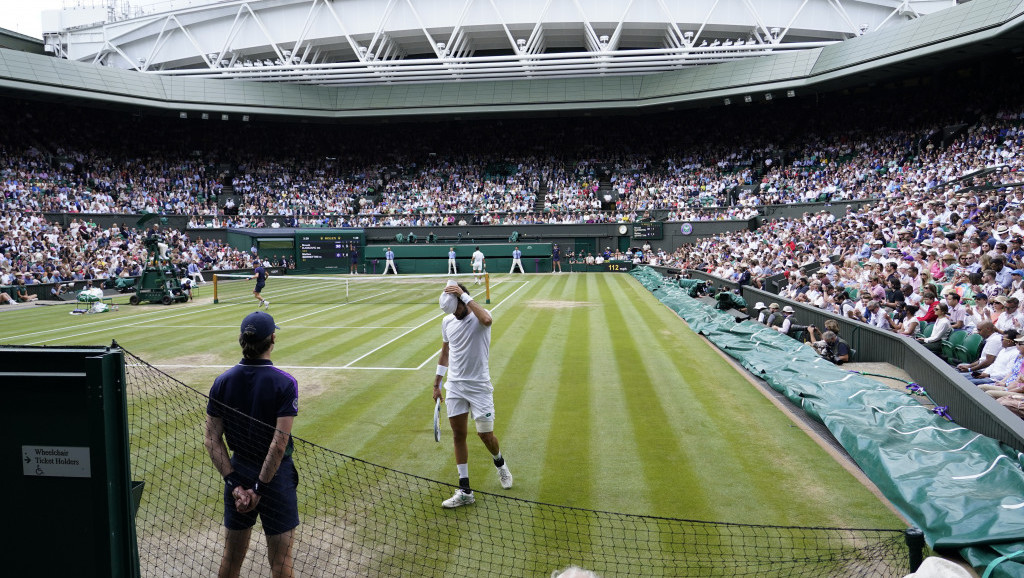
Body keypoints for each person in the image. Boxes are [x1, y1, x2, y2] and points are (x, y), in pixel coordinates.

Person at [204, 311, 299, 578]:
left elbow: (212, 439)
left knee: (231, 560)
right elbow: (278, 445)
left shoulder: (222, 382)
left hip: (238, 473)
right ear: (273, 339)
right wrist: (259, 488)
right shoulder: (285, 383)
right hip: (275, 479)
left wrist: (235, 484)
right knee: (281, 562)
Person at [433, 282, 512, 508]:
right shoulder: (447, 321)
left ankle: (500, 463)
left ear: (462, 299)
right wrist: (437, 384)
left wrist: (464, 296)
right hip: (455, 386)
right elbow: (445, 353)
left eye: (456, 308)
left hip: (479, 387)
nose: (454, 315)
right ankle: (465, 490)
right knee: (459, 435)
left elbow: (487, 320)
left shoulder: (480, 317)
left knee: (485, 435)